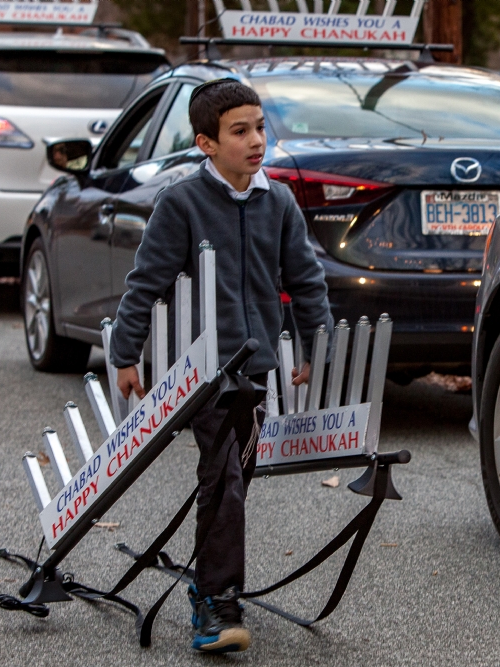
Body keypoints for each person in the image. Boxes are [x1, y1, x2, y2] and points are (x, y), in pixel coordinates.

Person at [109, 78, 333, 654]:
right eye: (240, 131)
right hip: (203, 374)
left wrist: (315, 346)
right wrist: (125, 352)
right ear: (207, 143)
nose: (256, 140)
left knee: (231, 481)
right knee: (226, 475)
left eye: (260, 127)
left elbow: (305, 281)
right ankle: (215, 600)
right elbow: (146, 284)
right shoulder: (182, 203)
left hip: (258, 369)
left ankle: (211, 582)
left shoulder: (277, 201)